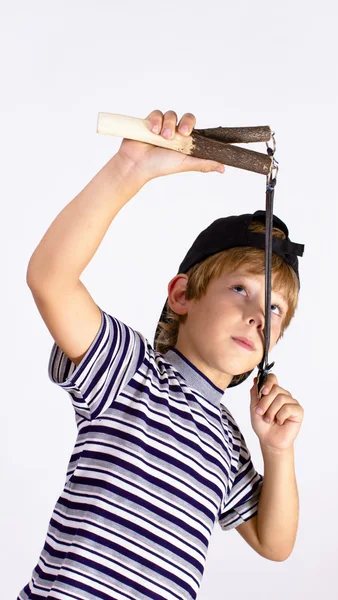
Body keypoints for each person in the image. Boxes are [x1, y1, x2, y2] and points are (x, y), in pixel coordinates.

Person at [19, 109, 305, 600]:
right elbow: (51, 279)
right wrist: (129, 169)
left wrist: (277, 452)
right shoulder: (126, 369)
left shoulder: (227, 441)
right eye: (240, 289)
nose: (259, 315)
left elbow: (274, 543)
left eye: (275, 308)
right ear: (182, 296)